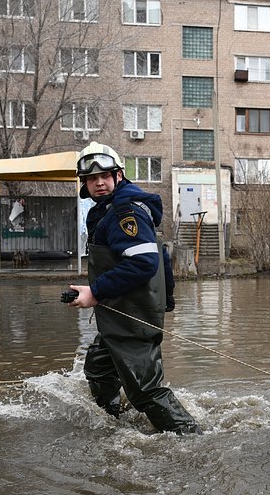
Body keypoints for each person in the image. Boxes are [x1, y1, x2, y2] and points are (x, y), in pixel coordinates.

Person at [67, 142, 200, 435]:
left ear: (119, 176)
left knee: (145, 391)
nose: (99, 183)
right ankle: (112, 424)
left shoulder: (123, 211)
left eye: (105, 176)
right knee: (99, 367)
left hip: (131, 314)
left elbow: (143, 262)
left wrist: (95, 292)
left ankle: (194, 441)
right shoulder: (109, 209)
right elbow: (161, 255)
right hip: (123, 311)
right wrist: (166, 300)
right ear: (84, 183)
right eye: (91, 178)